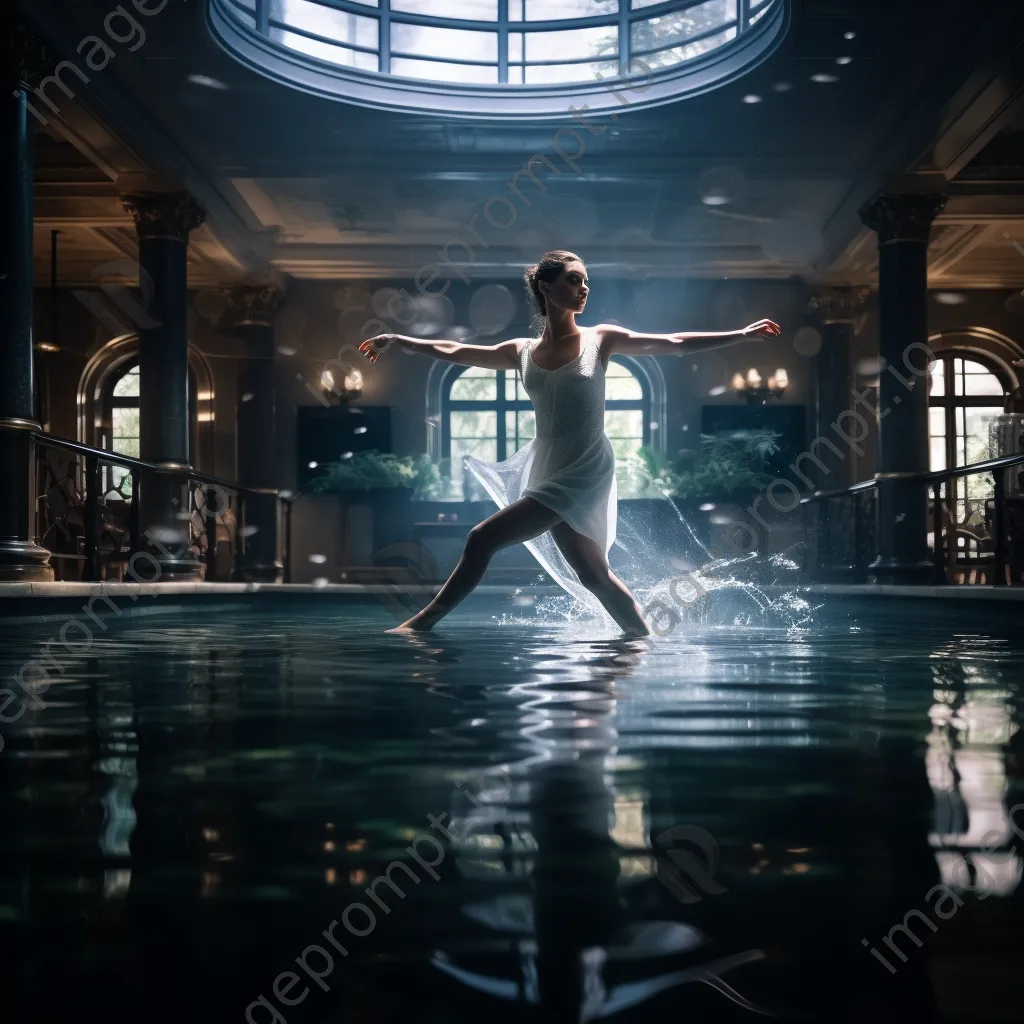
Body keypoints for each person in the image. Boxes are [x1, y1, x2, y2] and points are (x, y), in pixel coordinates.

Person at [360, 250, 780, 634]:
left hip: (585, 464)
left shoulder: (601, 339)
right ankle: (642, 637)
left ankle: (422, 623)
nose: (583, 289)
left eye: (585, 282)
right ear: (546, 287)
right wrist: (400, 340)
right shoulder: (520, 350)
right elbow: (454, 349)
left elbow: (673, 344)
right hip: (548, 462)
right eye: (574, 281)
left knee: (481, 538)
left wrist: (740, 334)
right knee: (594, 576)